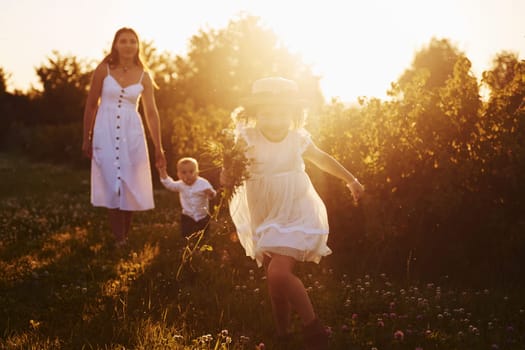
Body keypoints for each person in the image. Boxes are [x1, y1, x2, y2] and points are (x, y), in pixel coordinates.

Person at [220, 77, 365, 350]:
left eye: (281, 114)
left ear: (293, 115)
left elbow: (322, 159)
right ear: (255, 114)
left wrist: (351, 179)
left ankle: (313, 329)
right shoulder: (247, 138)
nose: (274, 121)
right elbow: (229, 171)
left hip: (296, 208)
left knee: (277, 273)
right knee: (274, 278)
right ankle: (283, 334)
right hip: (264, 212)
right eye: (267, 114)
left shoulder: (298, 139)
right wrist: (226, 174)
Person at [82, 27, 166, 247]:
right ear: (115, 45)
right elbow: (91, 105)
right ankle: (120, 239)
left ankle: (124, 237)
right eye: (123, 41)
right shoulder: (104, 70)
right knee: (112, 184)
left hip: (132, 133)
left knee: (129, 185)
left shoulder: (145, 76)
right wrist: (86, 137)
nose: (128, 45)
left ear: (137, 46)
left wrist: (159, 146)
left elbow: (151, 112)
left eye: (132, 41)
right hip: (105, 131)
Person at [158, 157, 217, 237]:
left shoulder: (203, 183)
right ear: (178, 174)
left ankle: (203, 243)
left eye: (191, 172)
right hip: (187, 216)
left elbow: (212, 195)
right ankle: (186, 245)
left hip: (202, 216)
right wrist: (162, 171)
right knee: (186, 234)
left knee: (203, 235)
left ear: (197, 172)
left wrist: (210, 193)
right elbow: (169, 184)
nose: (188, 175)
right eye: (184, 172)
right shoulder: (180, 185)